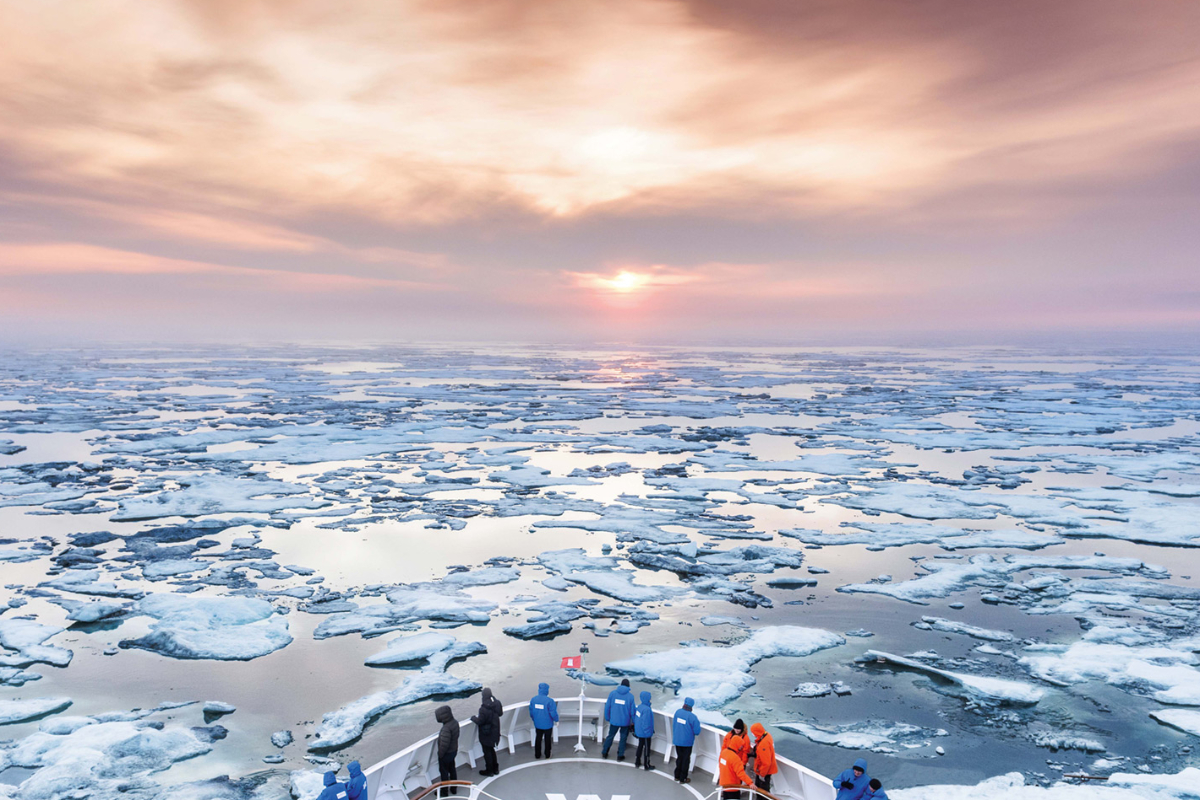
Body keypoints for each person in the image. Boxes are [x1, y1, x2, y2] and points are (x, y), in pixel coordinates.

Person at [471, 687, 503, 777]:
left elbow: (480, 721)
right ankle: (496, 768)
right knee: (492, 750)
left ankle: (489, 770)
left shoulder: (483, 708)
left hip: (486, 735)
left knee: (487, 752)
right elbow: (500, 713)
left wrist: (474, 718)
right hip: (495, 732)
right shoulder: (496, 704)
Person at [602, 678, 634, 761]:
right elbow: (632, 711)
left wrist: (608, 717)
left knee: (610, 736)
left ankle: (605, 752)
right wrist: (633, 722)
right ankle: (620, 755)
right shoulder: (630, 697)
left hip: (614, 721)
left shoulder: (613, 694)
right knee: (623, 739)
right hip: (625, 722)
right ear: (628, 686)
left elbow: (607, 707)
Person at [672, 697, 701, 784]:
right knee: (685, 760)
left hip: (677, 740)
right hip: (687, 742)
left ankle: (676, 775)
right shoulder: (692, 717)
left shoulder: (677, 712)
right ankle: (683, 778)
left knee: (679, 758)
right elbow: (697, 731)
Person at [718, 733, 754, 799]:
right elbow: (741, 773)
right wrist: (750, 783)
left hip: (724, 784)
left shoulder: (723, 752)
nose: (741, 747)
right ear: (737, 745)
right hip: (733, 787)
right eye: (741, 746)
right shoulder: (735, 758)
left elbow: (720, 766)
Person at [528, 682, 559, 759]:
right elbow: (553, 713)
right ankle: (547, 754)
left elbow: (531, 712)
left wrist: (534, 719)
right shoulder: (550, 701)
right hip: (547, 724)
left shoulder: (533, 699)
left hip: (537, 723)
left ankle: (537, 754)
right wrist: (556, 720)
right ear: (547, 690)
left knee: (538, 738)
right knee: (547, 739)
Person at [435, 705, 460, 797]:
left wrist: (440, 755)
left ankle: (444, 792)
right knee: (452, 769)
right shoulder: (455, 722)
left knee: (444, 773)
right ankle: (454, 788)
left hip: (446, 754)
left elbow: (444, 745)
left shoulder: (446, 728)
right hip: (453, 751)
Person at [749, 723, 777, 793]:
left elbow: (766, 763)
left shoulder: (763, 745)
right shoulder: (767, 735)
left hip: (764, 772)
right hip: (764, 771)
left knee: (762, 792)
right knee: (760, 790)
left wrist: (762, 775)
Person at [633, 690, 654, 770]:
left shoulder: (639, 707)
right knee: (647, 749)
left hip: (639, 731)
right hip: (645, 733)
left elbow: (637, 720)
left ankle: (637, 762)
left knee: (640, 746)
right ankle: (647, 765)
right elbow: (646, 723)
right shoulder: (647, 710)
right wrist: (648, 733)